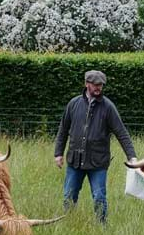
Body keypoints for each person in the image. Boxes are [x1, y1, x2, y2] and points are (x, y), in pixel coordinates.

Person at [54, 70, 137, 223]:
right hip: (75, 161)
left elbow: (121, 133)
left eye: (101, 85)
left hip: (98, 163)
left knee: (99, 197)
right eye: (95, 85)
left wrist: (132, 156)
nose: (98, 88)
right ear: (87, 84)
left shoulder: (108, 107)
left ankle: (102, 226)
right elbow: (63, 130)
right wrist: (58, 153)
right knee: (69, 196)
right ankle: (69, 223)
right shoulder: (73, 104)